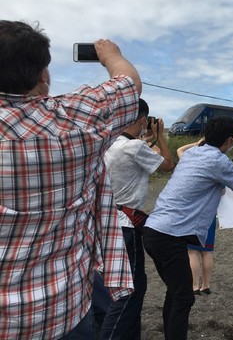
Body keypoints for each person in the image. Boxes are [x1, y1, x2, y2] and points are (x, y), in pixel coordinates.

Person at [0, 20, 142, 339]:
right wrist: (111, 55)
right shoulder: (77, 121)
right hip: (62, 312)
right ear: (43, 76)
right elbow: (129, 84)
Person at [143, 117, 233, 340]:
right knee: (183, 297)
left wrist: (206, 141)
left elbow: (185, 150)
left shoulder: (191, 154)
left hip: (154, 229)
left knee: (175, 292)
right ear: (230, 140)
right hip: (170, 236)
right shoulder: (219, 161)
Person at [96, 99, 175, 340]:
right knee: (131, 289)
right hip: (127, 226)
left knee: (113, 286)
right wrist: (160, 136)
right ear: (142, 119)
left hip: (106, 222)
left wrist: (148, 137)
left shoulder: (111, 144)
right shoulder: (135, 148)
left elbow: (137, 151)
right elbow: (168, 166)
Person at [188, 216, 218, 296]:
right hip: (209, 217)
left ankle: (195, 287)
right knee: (207, 252)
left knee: (192, 252)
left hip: (194, 216)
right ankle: (206, 286)